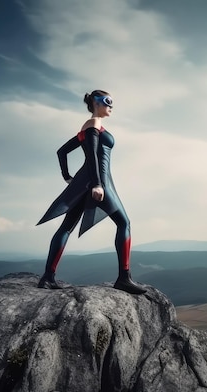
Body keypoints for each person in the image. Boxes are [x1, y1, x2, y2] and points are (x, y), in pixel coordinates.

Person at [36, 90, 146, 295]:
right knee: (124, 223)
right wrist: (97, 184)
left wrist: (67, 176)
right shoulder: (93, 124)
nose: (111, 106)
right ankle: (124, 278)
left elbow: (62, 152)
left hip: (86, 181)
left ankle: (48, 277)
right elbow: (94, 156)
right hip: (98, 181)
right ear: (96, 103)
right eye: (108, 102)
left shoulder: (88, 127)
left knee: (67, 227)